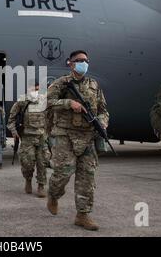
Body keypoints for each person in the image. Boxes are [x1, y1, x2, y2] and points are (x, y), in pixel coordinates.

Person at [46, 50, 109, 231]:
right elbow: (48, 102)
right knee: (63, 174)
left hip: (87, 136)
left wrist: (102, 123)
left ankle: (82, 215)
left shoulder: (94, 85)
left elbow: (103, 110)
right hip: (65, 134)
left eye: (86, 60)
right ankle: (53, 195)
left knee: (87, 177)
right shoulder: (61, 84)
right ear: (71, 63)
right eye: (79, 60)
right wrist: (68, 103)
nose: (83, 63)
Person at [7, 82, 48, 197]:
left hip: (42, 137)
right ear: (28, 89)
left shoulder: (45, 100)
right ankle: (28, 180)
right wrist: (14, 132)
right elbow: (11, 119)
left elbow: (51, 116)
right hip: (27, 137)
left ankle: (41, 186)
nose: (35, 90)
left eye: (37, 89)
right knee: (27, 163)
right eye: (33, 88)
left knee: (42, 162)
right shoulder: (22, 101)